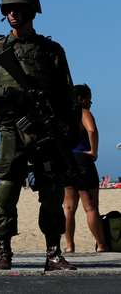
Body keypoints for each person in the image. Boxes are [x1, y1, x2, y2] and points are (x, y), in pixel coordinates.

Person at [0, 0, 78, 271]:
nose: (12, 14)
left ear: (32, 12)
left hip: (46, 131)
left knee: (52, 193)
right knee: (6, 190)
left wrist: (69, 130)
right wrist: (10, 95)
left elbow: (67, 93)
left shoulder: (51, 50)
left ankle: (53, 253)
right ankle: (4, 251)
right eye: (8, 9)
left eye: (18, 9)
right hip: (12, 129)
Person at [63, 84, 107, 252]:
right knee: (90, 207)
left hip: (67, 160)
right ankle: (102, 245)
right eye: (89, 98)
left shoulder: (64, 114)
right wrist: (94, 151)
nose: (90, 102)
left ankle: (69, 245)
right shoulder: (83, 112)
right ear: (81, 99)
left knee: (68, 207)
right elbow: (92, 130)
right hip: (82, 158)